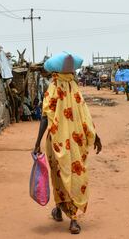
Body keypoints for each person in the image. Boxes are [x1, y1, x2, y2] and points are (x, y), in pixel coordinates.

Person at [34, 55, 102, 235]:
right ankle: (70, 217)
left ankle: (66, 213)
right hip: (76, 139)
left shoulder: (53, 88)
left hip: (57, 141)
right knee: (75, 174)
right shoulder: (74, 88)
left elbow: (44, 117)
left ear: (54, 71)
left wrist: (37, 142)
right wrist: (95, 136)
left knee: (59, 175)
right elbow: (85, 115)